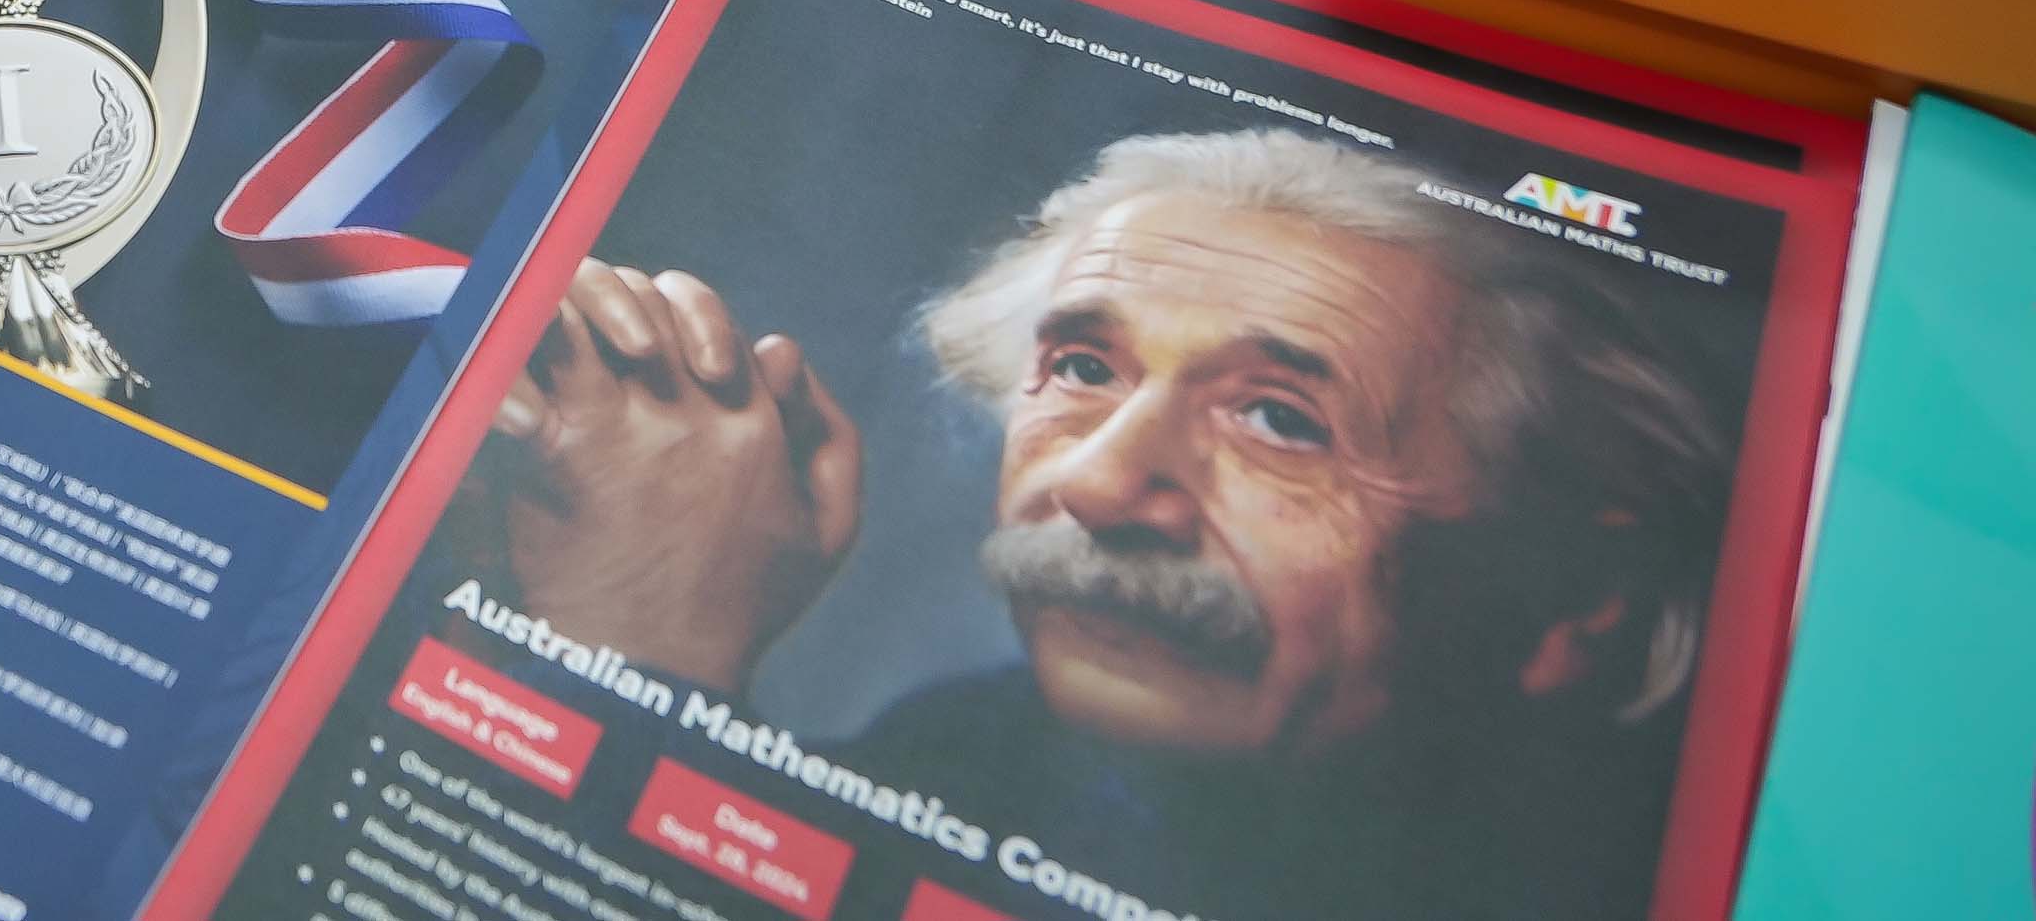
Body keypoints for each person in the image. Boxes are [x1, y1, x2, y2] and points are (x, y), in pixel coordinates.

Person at [489, 128, 1730, 919]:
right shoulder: (965, 748)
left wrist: (633, 645)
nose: (1093, 486)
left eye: (1282, 420)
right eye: (1082, 369)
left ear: (1578, 595)